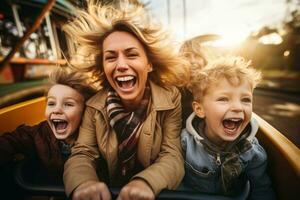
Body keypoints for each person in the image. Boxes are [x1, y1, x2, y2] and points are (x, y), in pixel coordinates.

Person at [62, 1, 189, 200]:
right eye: (111, 57)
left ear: (148, 64)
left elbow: (172, 155)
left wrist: (145, 183)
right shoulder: (94, 106)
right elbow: (83, 153)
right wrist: (84, 183)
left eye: (131, 55)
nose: (121, 65)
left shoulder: (171, 100)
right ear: (103, 66)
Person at [181, 56, 275, 199]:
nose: (238, 107)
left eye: (245, 100)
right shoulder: (184, 144)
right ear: (200, 109)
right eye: (223, 99)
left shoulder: (252, 151)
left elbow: (261, 190)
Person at [0, 68, 96, 184]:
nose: (56, 110)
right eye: (51, 103)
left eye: (68, 104)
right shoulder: (40, 133)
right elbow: (12, 141)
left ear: (85, 111)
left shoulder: (94, 137)